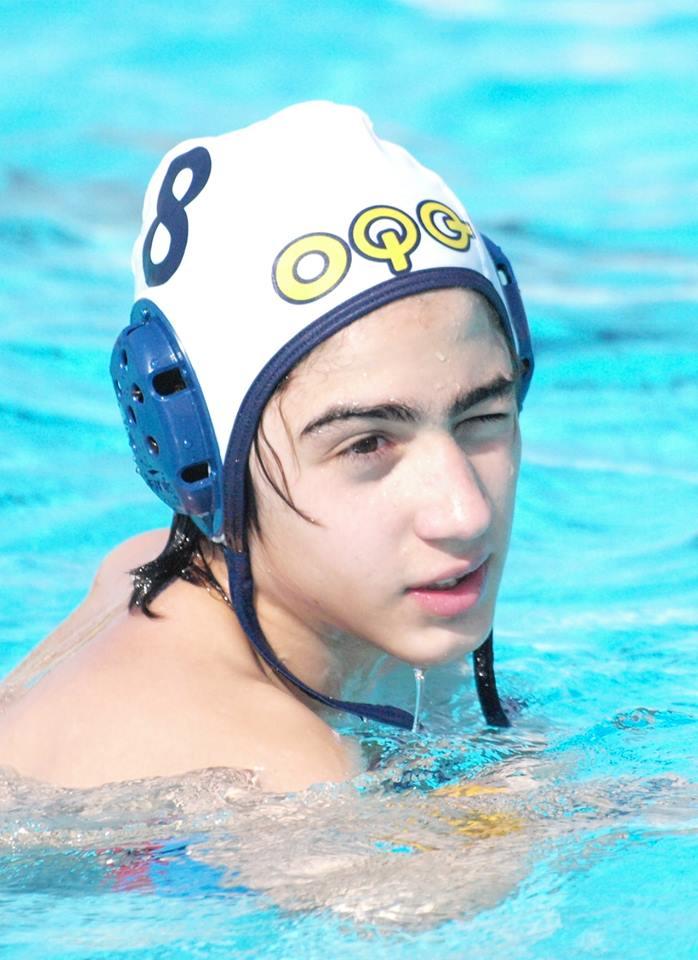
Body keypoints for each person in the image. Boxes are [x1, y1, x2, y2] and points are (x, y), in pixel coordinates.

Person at [0, 102, 533, 792]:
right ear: (198, 466)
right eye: (367, 444)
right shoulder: (270, 768)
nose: (464, 513)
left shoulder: (150, 571)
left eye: (483, 417)